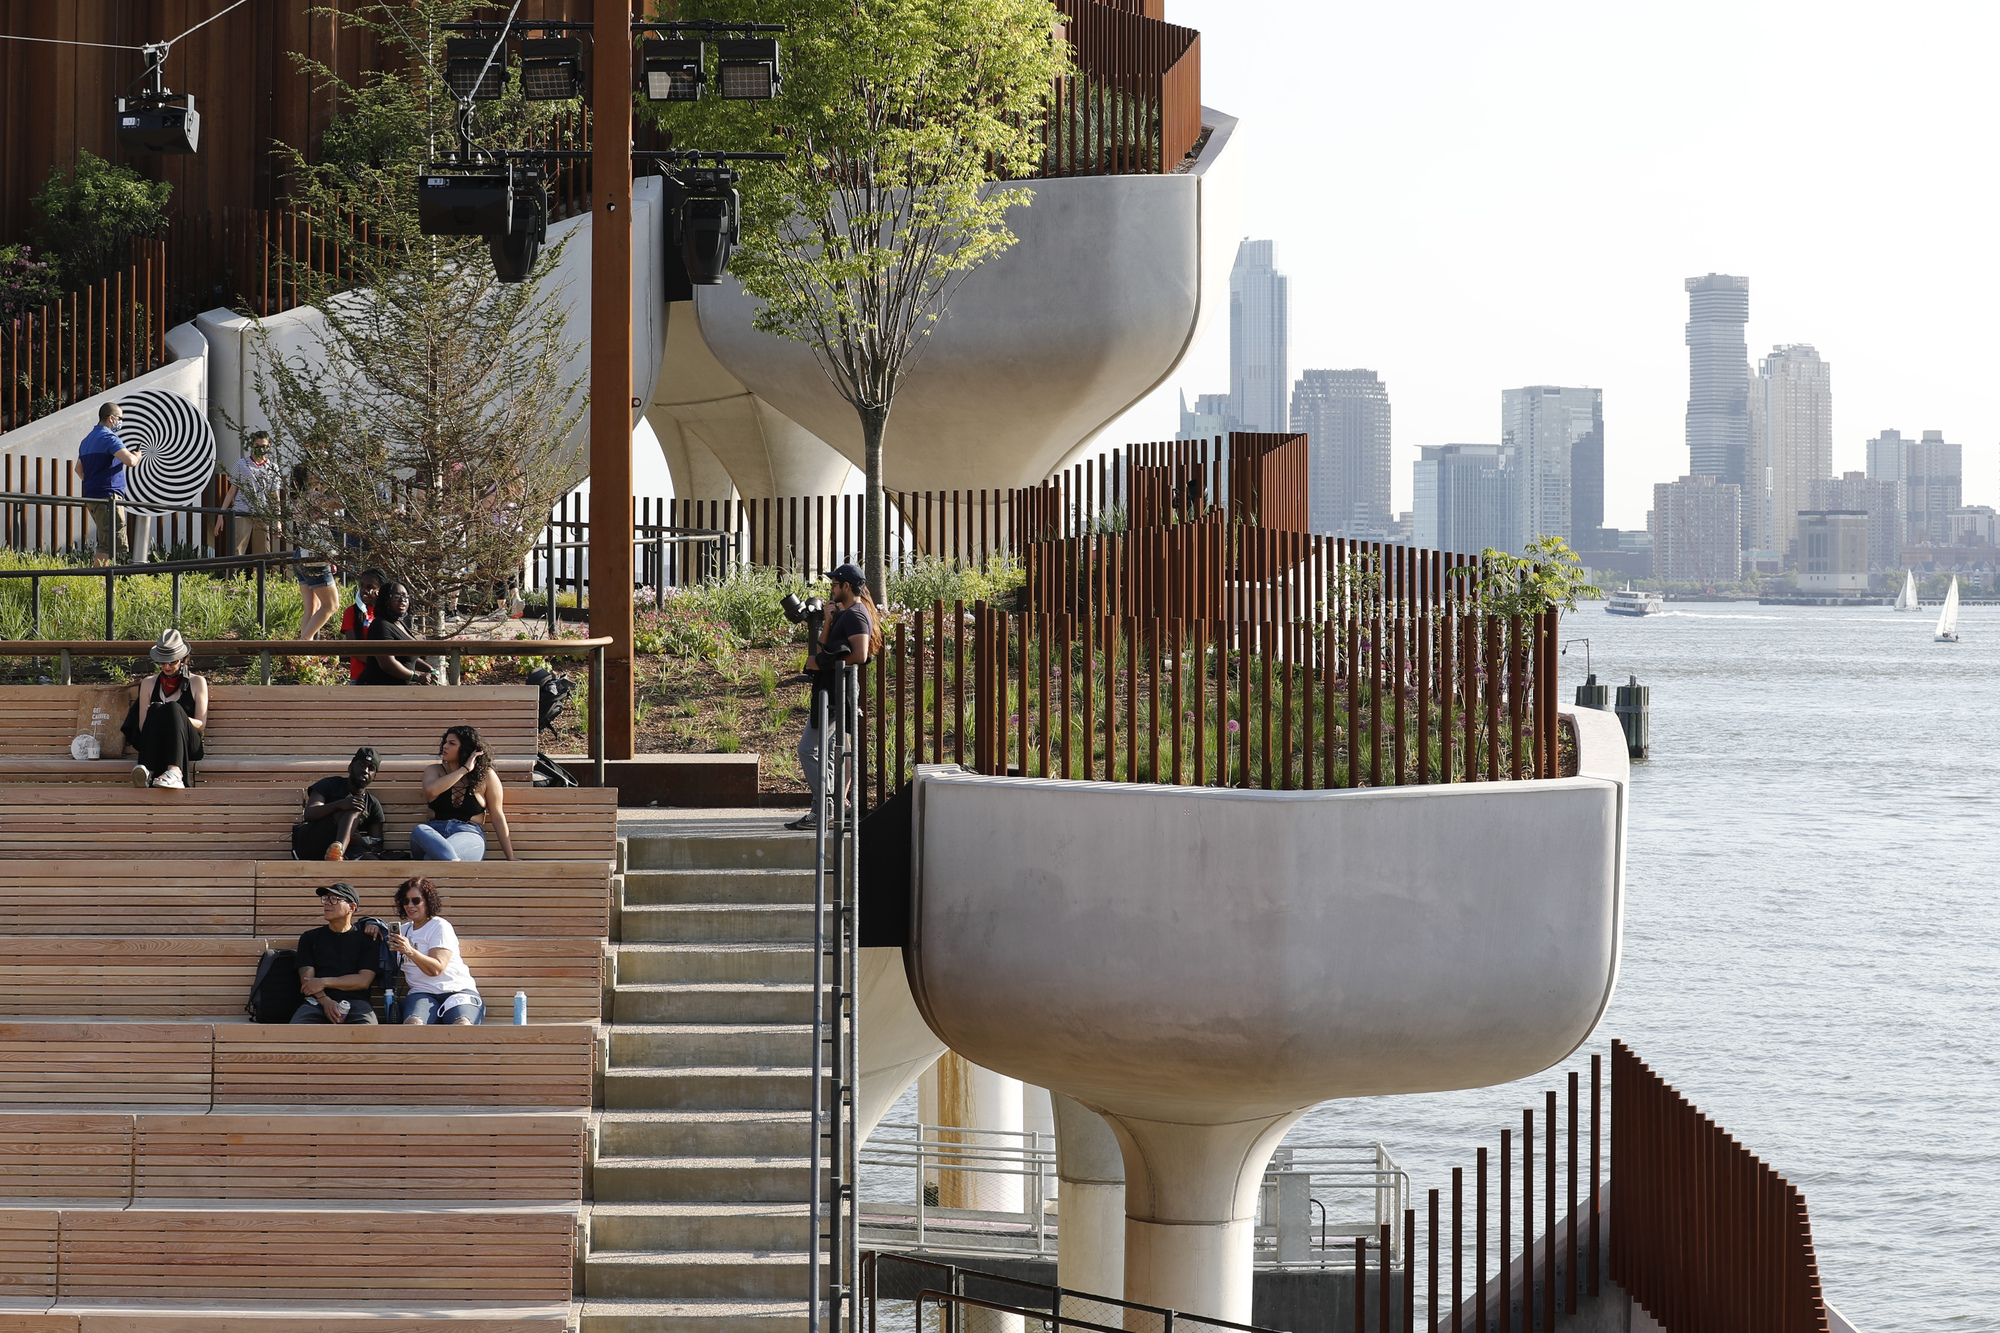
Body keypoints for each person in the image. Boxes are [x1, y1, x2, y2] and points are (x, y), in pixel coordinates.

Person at [789, 563, 880, 832]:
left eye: (835, 585)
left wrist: (822, 664)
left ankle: (828, 807)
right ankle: (826, 807)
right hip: (829, 690)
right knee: (827, 753)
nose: (831, 589)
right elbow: (822, 649)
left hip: (838, 692)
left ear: (847, 587)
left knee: (808, 750)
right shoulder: (844, 613)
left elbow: (860, 655)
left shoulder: (856, 615)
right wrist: (828, 620)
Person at [383, 877, 484, 1024]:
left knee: (462, 1024)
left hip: (456, 991)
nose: (410, 905)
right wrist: (371, 925)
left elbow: (436, 969)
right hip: (422, 994)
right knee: (413, 1024)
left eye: (416, 900)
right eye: (406, 901)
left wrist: (409, 951)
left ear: (428, 901)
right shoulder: (402, 931)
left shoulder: (439, 926)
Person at [413, 725, 516, 861]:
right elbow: (431, 790)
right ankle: (451, 862)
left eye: (452, 743)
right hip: (433, 831)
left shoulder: (486, 776)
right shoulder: (434, 771)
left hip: (468, 833)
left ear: (466, 748)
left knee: (430, 859)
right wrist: (464, 769)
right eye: (445, 742)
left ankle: (447, 861)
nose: (445, 746)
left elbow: (497, 817)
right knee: (420, 830)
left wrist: (511, 857)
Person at [128, 629, 207, 790]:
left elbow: (201, 725)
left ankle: (175, 771)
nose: (167, 666)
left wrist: (176, 717)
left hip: (187, 745)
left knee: (172, 708)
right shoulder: (149, 683)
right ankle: (147, 772)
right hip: (157, 742)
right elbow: (142, 726)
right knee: (156, 708)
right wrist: (158, 715)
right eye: (162, 662)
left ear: (182, 658)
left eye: (172, 662)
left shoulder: (197, 682)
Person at [291, 882, 380, 1024]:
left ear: (352, 907)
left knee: (369, 1031)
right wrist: (325, 1001)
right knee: (293, 1031)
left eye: (334, 899)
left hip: (356, 1003)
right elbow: (308, 981)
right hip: (317, 1001)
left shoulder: (367, 940)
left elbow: (363, 981)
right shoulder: (310, 938)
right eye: (325, 899)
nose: (327, 903)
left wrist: (323, 982)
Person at [78, 400, 147, 566]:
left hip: (92, 496)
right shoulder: (109, 438)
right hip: (108, 496)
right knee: (109, 544)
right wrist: (137, 456)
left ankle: (105, 577)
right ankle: (100, 579)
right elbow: (130, 461)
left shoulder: (87, 440)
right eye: (120, 418)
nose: (120, 422)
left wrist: (94, 482)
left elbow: (78, 469)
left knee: (107, 540)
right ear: (111, 418)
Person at [291, 746, 387, 862]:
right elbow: (310, 813)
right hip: (312, 843)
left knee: (372, 860)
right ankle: (338, 852)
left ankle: (336, 853)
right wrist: (340, 804)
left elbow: (377, 846)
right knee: (355, 806)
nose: (365, 770)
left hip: (349, 850)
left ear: (374, 776)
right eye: (362, 764)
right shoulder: (330, 784)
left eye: (371, 768)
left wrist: (359, 841)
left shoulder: (373, 804)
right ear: (350, 767)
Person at [291, 463, 341, 640]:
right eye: (314, 473)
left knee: (312, 608)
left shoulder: (299, 498)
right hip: (315, 554)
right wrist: (333, 485)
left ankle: (304, 650)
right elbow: (339, 503)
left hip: (302, 552)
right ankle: (304, 644)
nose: (318, 475)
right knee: (331, 605)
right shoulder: (313, 496)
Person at [215, 430, 278, 562]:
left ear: (269, 446)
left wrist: (278, 520)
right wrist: (221, 515)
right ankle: (232, 575)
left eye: (263, 446)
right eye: (257, 445)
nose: (260, 449)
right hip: (242, 511)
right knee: (236, 551)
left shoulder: (272, 467)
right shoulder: (241, 464)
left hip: (262, 513)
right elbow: (232, 491)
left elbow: (275, 496)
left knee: (262, 554)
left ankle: (258, 576)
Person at [358, 581, 436, 685]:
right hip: (379, 689)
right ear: (386, 599)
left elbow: (408, 657)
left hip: (398, 690)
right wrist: (415, 676)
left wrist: (430, 669)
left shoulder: (399, 623)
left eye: (405, 596)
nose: (402, 599)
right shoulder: (381, 625)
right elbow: (387, 664)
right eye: (396, 596)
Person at [341, 566, 387, 683]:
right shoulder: (351, 612)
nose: (364, 590)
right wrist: (381, 663)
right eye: (362, 585)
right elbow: (353, 648)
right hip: (360, 677)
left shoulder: (388, 613)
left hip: (387, 676)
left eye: (370, 587)